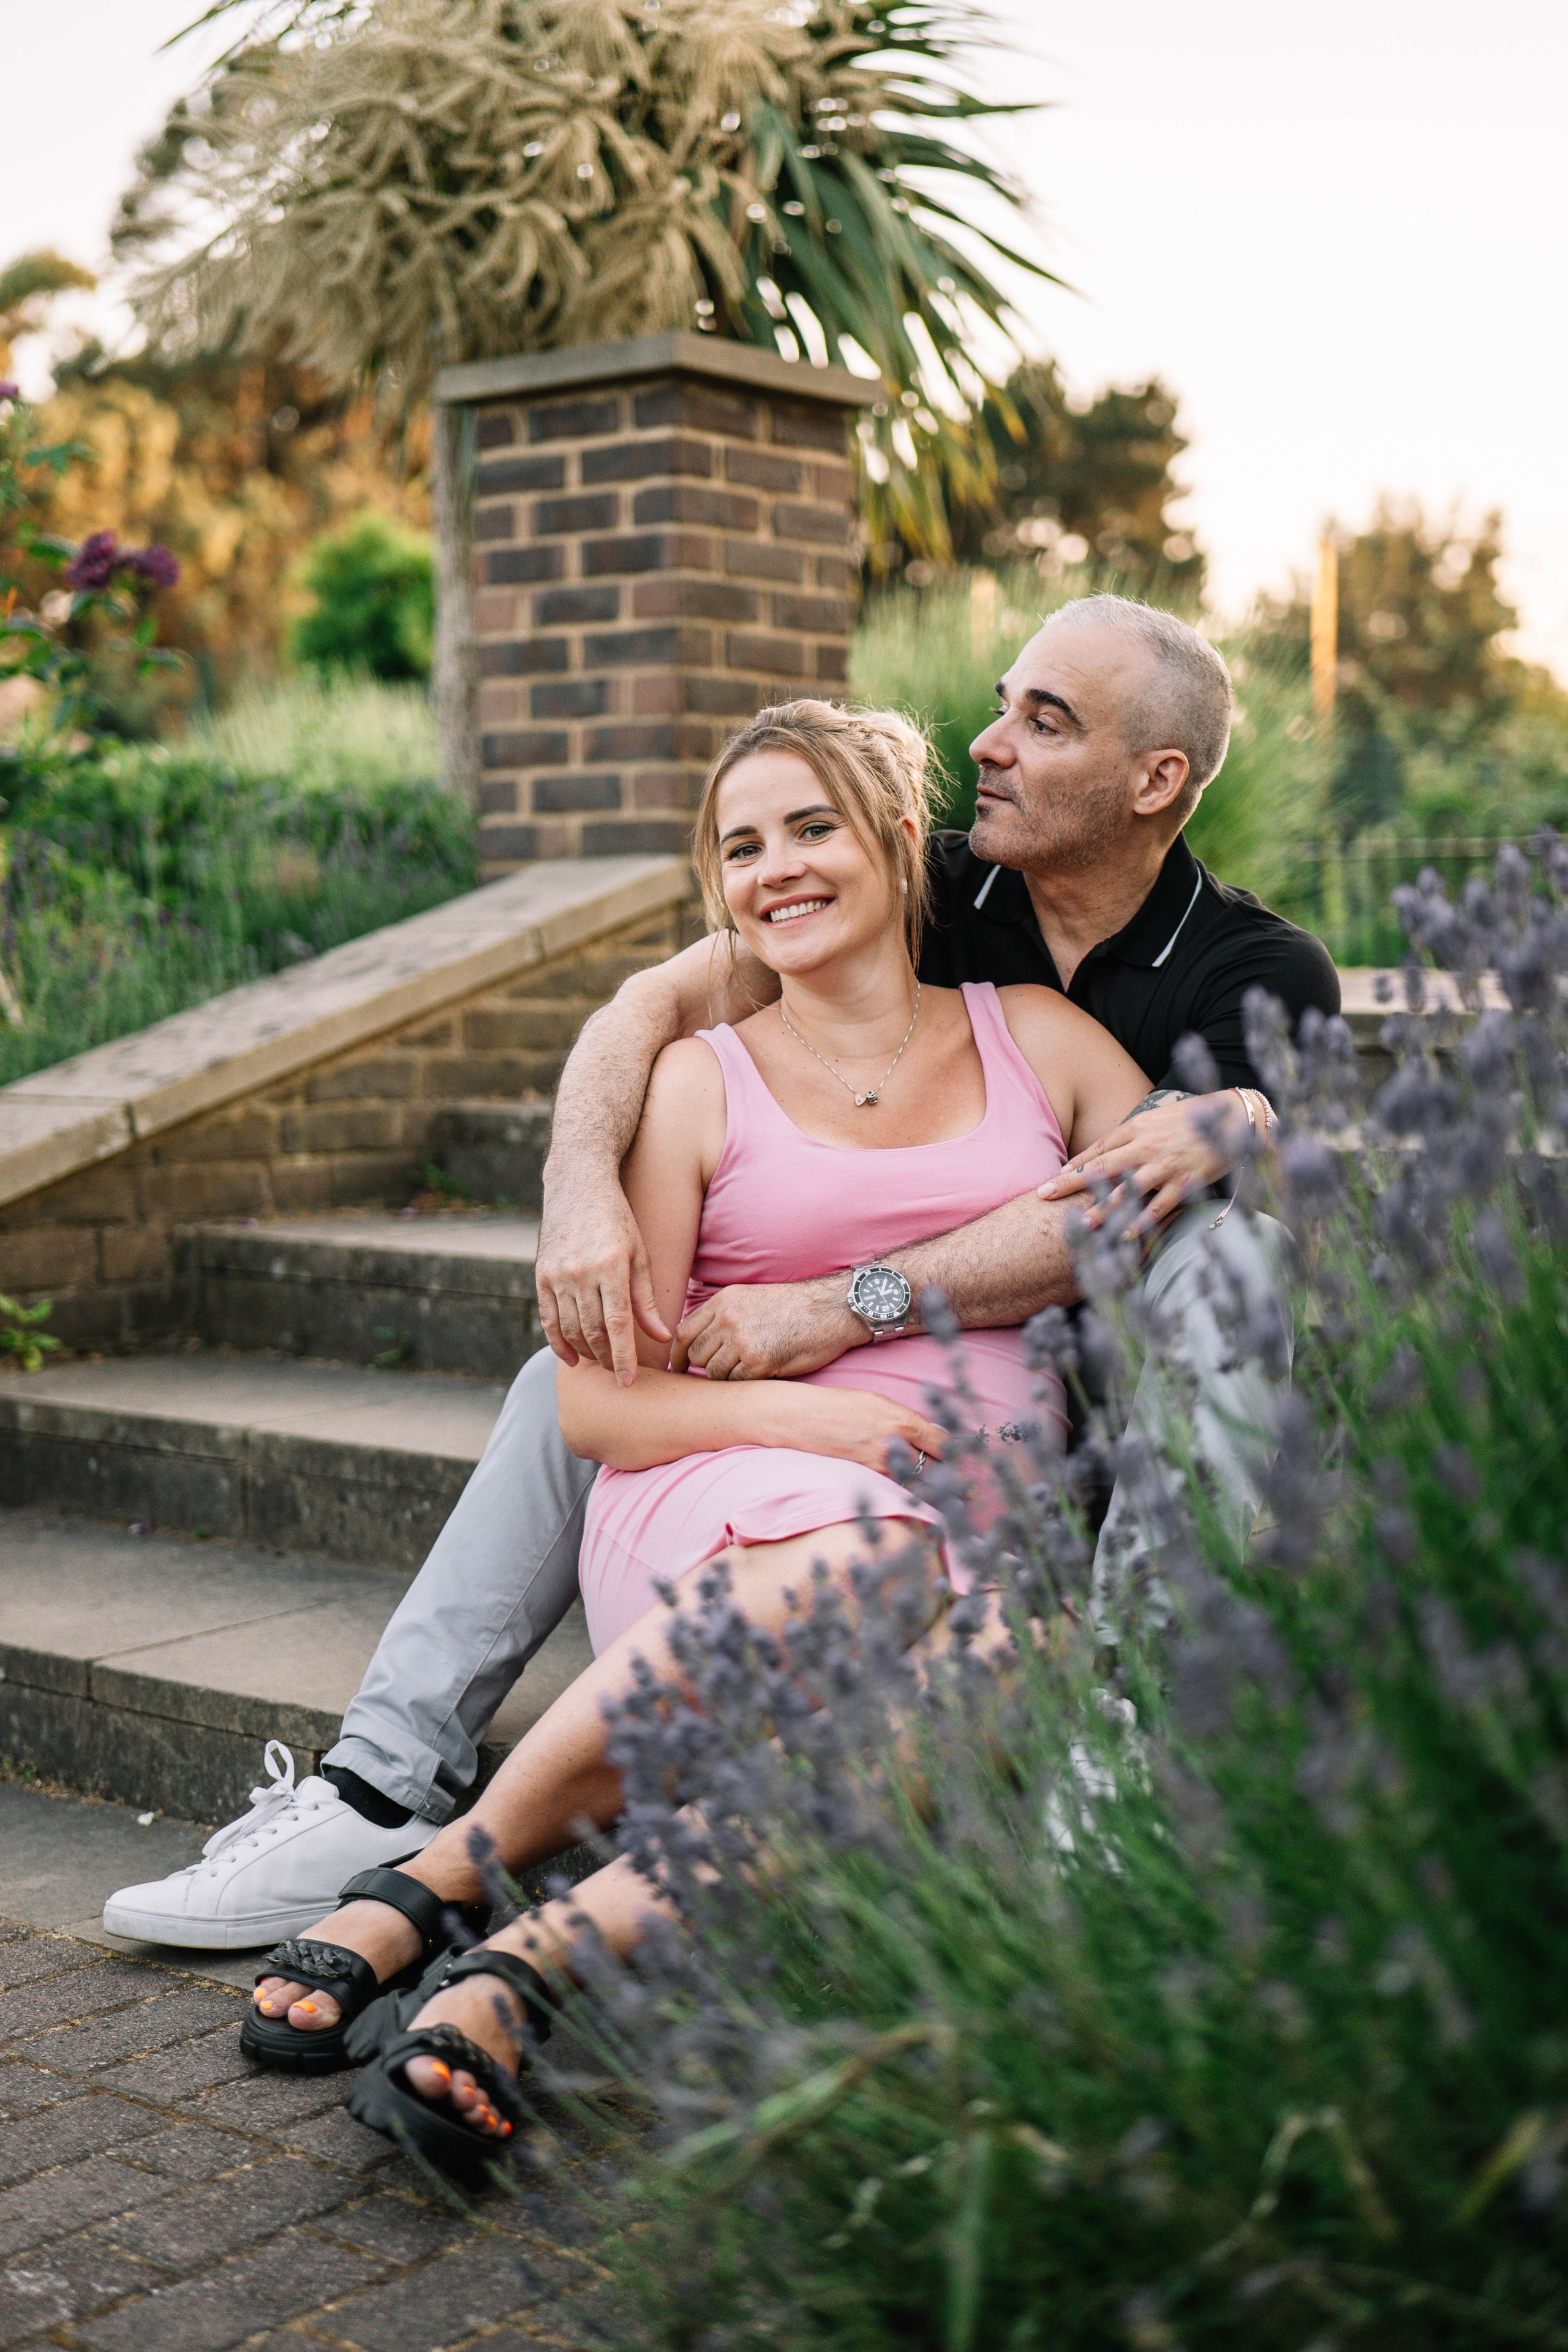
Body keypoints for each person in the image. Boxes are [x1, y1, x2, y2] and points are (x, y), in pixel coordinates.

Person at [104, 593, 1340, 1950]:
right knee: (565, 1375)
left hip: (1087, 1412)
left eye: (1041, 722)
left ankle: (1130, 1717)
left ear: (1154, 778)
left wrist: (833, 1304)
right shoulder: (921, 879)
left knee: (1234, 1247)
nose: (986, 742)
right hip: (846, 1425)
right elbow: (639, 1009)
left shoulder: (1257, 971)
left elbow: (1104, 1218)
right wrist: (578, 1191)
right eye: (1000, 703)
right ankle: (380, 1787)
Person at [232, 699, 1155, 2175]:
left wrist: (1234, 1112)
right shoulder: (697, 1078)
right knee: (861, 1568)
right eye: (739, 846)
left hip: (985, 1523)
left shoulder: (1038, 1038)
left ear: (894, 841)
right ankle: (445, 1872)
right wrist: (821, 1416)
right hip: (736, 1489)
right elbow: (596, 1402)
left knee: (1002, 1677)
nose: (774, 868)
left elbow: (1159, 1183)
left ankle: (515, 1970)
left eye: (810, 829)